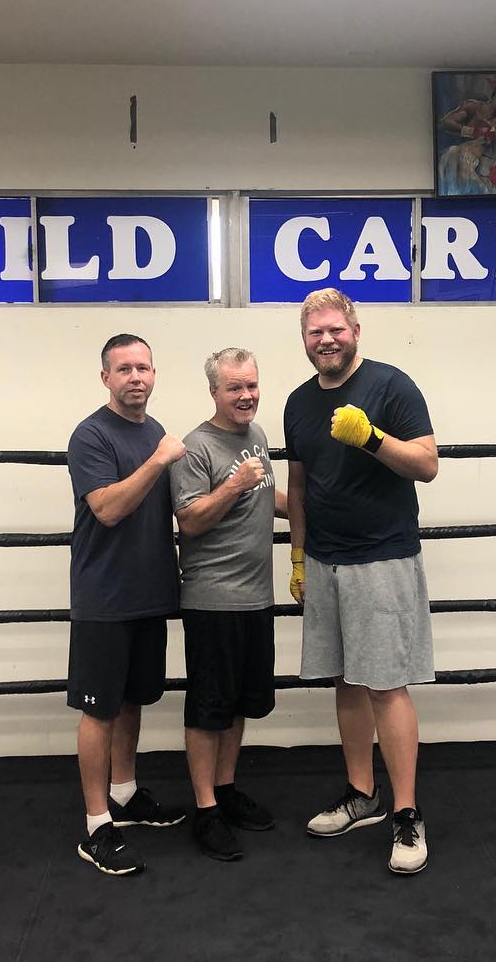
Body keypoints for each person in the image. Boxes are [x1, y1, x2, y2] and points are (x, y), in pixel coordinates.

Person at [284, 289, 438, 875]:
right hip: (324, 561)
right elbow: (298, 487)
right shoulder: (298, 403)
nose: (325, 340)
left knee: (386, 685)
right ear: (304, 339)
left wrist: (373, 439)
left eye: (334, 330)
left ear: (354, 329)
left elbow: (427, 464)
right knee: (345, 682)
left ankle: (406, 813)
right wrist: (297, 557)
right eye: (314, 332)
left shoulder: (391, 385)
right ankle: (362, 794)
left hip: (382, 557)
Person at [66, 333, 188, 876]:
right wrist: (159, 461)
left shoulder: (157, 432)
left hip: (148, 594)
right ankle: (96, 824)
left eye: (144, 368)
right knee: (99, 709)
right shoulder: (91, 436)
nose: (136, 377)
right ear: (106, 378)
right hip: (104, 597)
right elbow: (109, 509)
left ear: (154, 374)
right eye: (124, 369)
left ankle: (125, 791)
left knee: (134, 699)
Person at [169, 348, 287, 861]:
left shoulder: (257, 437)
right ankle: (205, 809)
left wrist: (325, 502)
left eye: (252, 386)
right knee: (208, 706)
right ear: (214, 392)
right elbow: (190, 520)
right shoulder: (196, 448)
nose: (246, 396)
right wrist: (235, 483)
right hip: (212, 599)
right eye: (235, 388)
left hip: (257, 596)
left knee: (242, 701)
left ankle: (226, 788)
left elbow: (271, 497)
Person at [437, 77, 496, 194]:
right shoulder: (473, 107)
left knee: (483, 191)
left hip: (475, 165)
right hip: (455, 157)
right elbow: (444, 123)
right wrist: (471, 131)